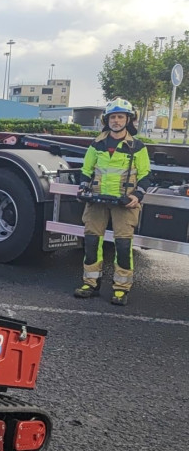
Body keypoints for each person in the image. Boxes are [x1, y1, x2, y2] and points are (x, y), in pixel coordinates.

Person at [74, 97, 151, 306]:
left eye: (120, 117)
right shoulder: (97, 144)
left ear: (128, 119)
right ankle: (90, 283)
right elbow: (86, 171)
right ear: (106, 120)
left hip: (124, 203)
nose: (116, 121)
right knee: (91, 242)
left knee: (123, 245)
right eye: (113, 117)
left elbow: (145, 175)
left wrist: (137, 196)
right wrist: (83, 188)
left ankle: (121, 288)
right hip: (97, 201)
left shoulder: (137, 147)